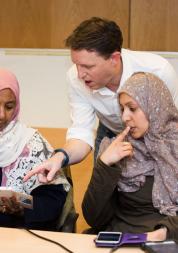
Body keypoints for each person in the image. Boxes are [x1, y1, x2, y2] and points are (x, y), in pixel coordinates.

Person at [24, 16, 178, 183]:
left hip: (156, 135)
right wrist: (59, 157)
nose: (80, 74)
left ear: (114, 59)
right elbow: (81, 133)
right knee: (103, 192)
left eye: (88, 67)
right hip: (110, 132)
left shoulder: (158, 71)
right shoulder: (75, 78)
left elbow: (171, 126)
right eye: (76, 64)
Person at [82, 72, 178, 242]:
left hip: (168, 240)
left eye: (132, 108)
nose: (125, 117)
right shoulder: (116, 148)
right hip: (123, 239)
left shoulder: (174, 147)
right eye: (122, 109)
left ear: (154, 106)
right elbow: (94, 218)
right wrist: (105, 164)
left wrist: (163, 233)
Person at [0, 68, 70, 230]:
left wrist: (21, 206)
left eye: (9, 106)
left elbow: (51, 203)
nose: (2, 115)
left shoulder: (32, 144)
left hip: (18, 236)